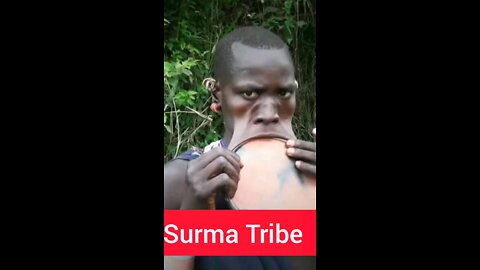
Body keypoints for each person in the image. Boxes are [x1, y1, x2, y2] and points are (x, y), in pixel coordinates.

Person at [164, 26, 316, 270]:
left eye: (284, 92)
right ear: (217, 94)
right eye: (249, 92)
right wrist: (190, 219)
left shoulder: (309, 174)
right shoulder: (177, 182)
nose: (269, 113)